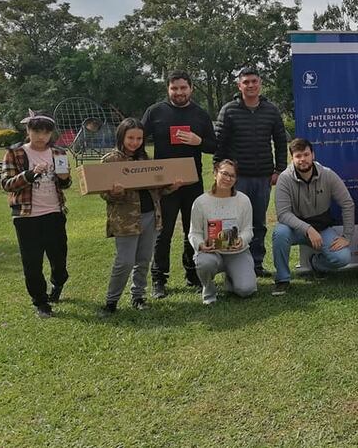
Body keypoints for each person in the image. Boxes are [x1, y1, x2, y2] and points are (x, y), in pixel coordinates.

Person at [141, 70, 218, 298]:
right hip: (164, 184)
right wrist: (145, 167)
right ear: (168, 89)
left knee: (191, 230)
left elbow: (214, 146)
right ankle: (159, 279)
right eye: (174, 88)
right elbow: (136, 139)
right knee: (162, 232)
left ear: (191, 88)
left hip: (192, 183)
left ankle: (192, 274)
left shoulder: (201, 115)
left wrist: (199, 141)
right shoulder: (155, 112)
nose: (179, 92)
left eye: (183, 88)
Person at [98, 119, 183, 317]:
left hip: (150, 216)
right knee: (125, 261)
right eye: (130, 138)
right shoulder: (111, 160)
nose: (134, 142)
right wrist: (116, 192)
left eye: (139, 138)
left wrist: (172, 186)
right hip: (126, 220)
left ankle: (138, 296)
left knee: (144, 259)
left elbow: (157, 191)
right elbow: (103, 193)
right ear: (121, 137)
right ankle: (111, 301)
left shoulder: (146, 160)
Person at [214, 67, 287, 278]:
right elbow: (220, 143)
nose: (251, 85)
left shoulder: (271, 110)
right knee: (231, 221)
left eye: (254, 81)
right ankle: (230, 265)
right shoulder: (228, 110)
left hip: (263, 176)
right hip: (236, 178)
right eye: (246, 82)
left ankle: (255, 264)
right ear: (239, 86)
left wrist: (279, 169)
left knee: (258, 223)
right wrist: (220, 170)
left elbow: (281, 141)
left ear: (260, 83)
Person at [1, 110, 71, 318]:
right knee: (32, 262)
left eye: (46, 132)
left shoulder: (58, 152)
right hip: (26, 216)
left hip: (54, 214)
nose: (42, 136)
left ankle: (57, 284)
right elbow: (6, 184)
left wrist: (65, 178)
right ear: (28, 130)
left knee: (59, 259)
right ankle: (40, 302)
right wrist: (30, 174)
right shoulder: (15, 153)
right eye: (37, 131)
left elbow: (65, 183)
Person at [271, 138, 354, 296]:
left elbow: (347, 203)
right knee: (279, 233)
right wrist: (307, 229)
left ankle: (316, 264)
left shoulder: (328, 175)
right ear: (292, 158)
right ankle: (282, 279)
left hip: (322, 228)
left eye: (306, 154)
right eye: (298, 156)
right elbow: (283, 214)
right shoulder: (284, 178)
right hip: (295, 228)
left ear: (313, 155)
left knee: (343, 258)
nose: (302, 159)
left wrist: (347, 236)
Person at [189, 160, 257, 304]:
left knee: (246, 290)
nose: (228, 178)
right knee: (204, 262)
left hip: (237, 253)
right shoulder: (200, 202)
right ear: (215, 174)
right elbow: (193, 233)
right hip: (211, 253)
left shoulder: (243, 200)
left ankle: (232, 277)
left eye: (232, 176)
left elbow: (248, 230)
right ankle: (208, 289)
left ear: (236, 179)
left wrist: (242, 240)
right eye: (224, 173)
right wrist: (201, 245)